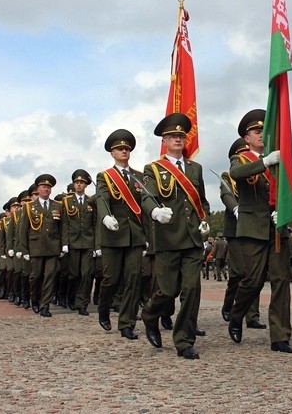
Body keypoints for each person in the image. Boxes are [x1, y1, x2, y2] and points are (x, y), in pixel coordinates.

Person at [140, 113, 210, 360]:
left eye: (181, 135)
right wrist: (155, 212)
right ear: (164, 141)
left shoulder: (195, 168)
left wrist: (205, 221)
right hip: (168, 237)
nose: (178, 139)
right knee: (167, 291)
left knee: (191, 290)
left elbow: (202, 201)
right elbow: (147, 196)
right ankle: (150, 315)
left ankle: (184, 340)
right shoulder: (154, 169)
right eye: (172, 136)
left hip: (192, 239)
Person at [227, 109, 292, 354]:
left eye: (263, 131)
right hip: (253, 228)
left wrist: (284, 209)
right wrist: (265, 162)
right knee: (253, 281)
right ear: (247, 138)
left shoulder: (278, 159)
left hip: (277, 227)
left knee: (281, 280)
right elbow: (236, 174)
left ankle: (280, 336)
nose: (261, 135)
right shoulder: (241, 159)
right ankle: (237, 314)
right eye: (256, 132)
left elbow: (289, 189)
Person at [95, 129, 147, 339]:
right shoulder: (105, 176)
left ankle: (127, 323)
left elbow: (145, 204)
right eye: (119, 149)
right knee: (111, 278)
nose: (124, 151)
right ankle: (103, 308)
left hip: (135, 235)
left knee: (133, 279)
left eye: (127, 148)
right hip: (113, 234)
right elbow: (102, 199)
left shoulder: (139, 176)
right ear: (112, 153)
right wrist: (105, 217)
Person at [219, 138, 265, 329]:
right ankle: (229, 302)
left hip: (254, 225)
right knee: (238, 272)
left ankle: (252, 315)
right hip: (236, 228)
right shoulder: (228, 175)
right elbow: (226, 194)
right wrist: (236, 208)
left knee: (253, 272)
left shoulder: (259, 171)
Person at [17, 174, 64, 317]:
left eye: (48, 187)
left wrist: (63, 245)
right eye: (44, 187)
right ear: (38, 189)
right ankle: (35, 299)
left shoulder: (58, 206)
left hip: (52, 247)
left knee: (50, 276)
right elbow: (23, 230)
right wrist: (24, 250)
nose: (46, 189)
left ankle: (45, 306)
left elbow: (62, 228)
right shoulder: (29, 207)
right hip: (36, 247)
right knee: (35, 276)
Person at [62, 169, 97, 315]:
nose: (79, 185)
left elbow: (95, 224)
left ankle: (82, 303)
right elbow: (65, 223)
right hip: (73, 242)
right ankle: (71, 297)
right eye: (76, 182)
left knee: (87, 274)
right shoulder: (67, 201)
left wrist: (97, 245)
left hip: (88, 242)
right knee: (73, 274)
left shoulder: (91, 201)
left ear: (86, 185)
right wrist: (65, 243)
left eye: (82, 183)